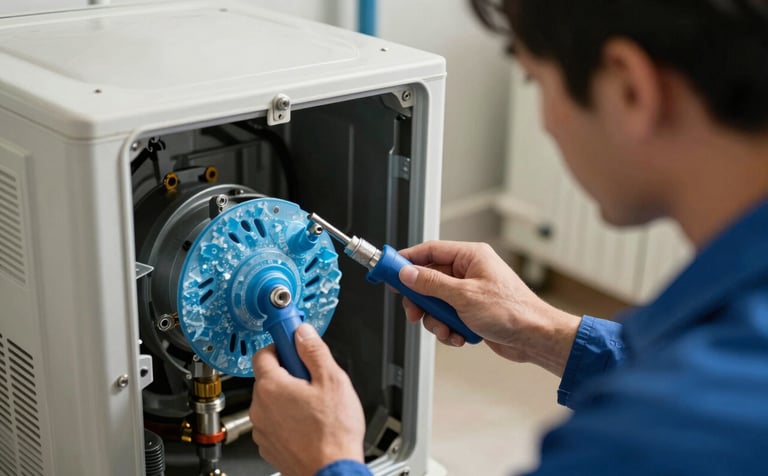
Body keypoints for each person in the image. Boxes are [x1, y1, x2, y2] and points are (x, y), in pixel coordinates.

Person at [249, 1, 768, 474]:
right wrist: (540, 330)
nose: (546, 124)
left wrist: (325, 461)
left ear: (629, 88)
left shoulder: (637, 441)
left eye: (534, 82)